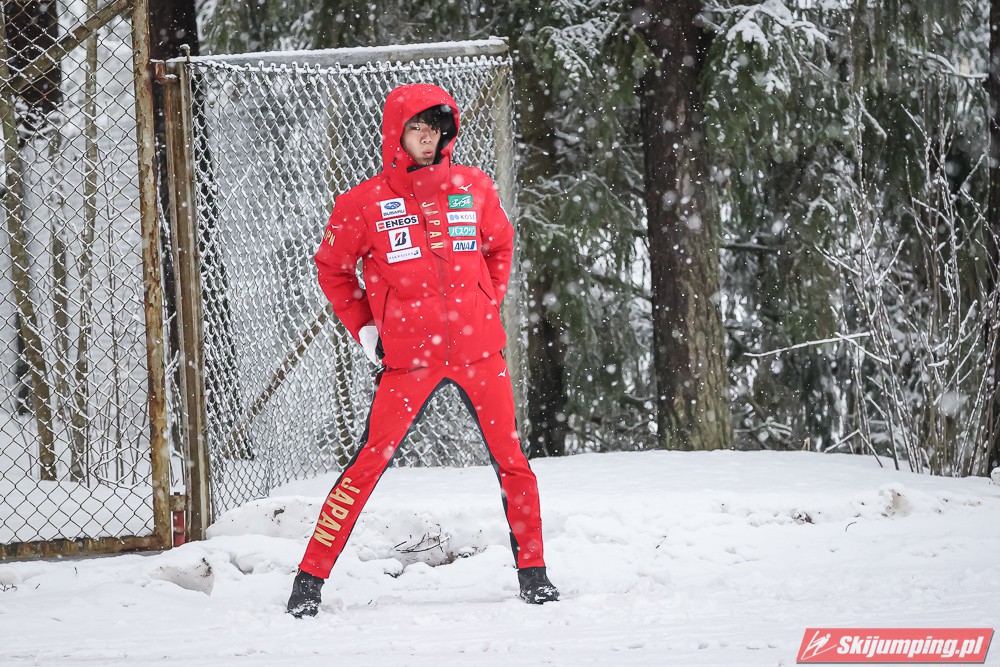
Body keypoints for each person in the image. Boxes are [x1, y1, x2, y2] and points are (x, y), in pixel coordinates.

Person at [286, 83, 559, 617]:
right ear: (397, 133)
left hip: (480, 353)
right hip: (409, 360)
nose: (427, 137)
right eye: (416, 128)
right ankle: (309, 579)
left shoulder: (473, 186)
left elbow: (500, 245)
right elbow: (333, 269)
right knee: (367, 464)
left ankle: (535, 574)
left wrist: (486, 300)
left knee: (513, 462)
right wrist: (367, 330)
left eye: (435, 128)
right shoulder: (364, 203)